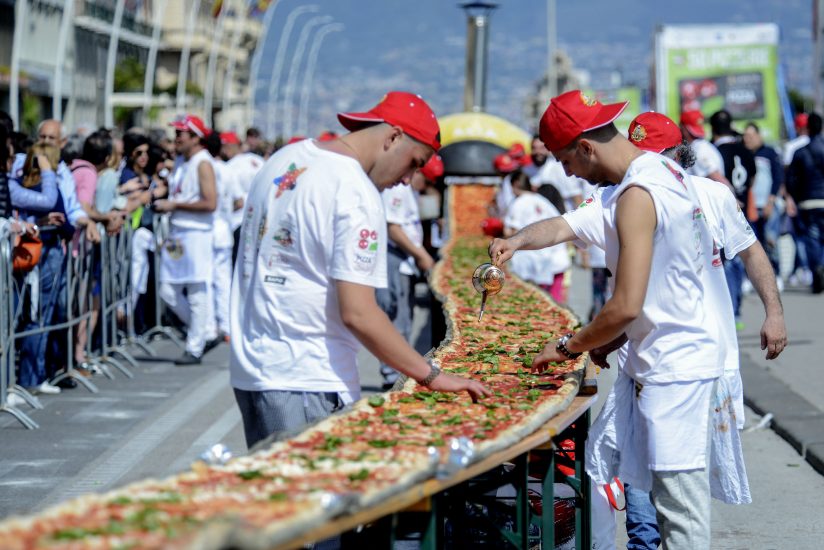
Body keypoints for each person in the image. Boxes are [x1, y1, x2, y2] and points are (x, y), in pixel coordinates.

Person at [488, 90, 725, 549]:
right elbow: (568, 227)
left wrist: (567, 346)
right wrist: (516, 241)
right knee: (666, 503)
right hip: (668, 359)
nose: (566, 173)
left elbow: (626, 305)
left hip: (675, 366)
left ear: (585, 147)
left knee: (680, 513)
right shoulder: (654, 174)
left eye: (565, 160)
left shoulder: (637, 193)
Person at [229, 91, 490, 448]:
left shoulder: (285, 158)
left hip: (253, 368)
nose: (408, 179)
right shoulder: (354, 191)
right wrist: (431, 375)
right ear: (393, 137)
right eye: (414, 162)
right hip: (307, 375)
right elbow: (359, 313)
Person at [615, 112, 786, 549]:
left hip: (701, 360)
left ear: (680, 154)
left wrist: (774, 312)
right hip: (644, 360)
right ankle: (645, 544)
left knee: (682, 477)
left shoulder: (712, 194)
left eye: (658, 156)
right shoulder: (624, 196)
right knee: (646, 465)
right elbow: (568, 226)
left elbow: (752, 252)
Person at [154, 114, 218, 365]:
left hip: (196, 234)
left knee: (196, 290)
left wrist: (174, 205)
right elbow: (176, 190)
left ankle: (195, 347)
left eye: (181, 133)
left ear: (195, 137)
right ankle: (204, 332)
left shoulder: (203, 163)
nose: (176, 138)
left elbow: (210, 202)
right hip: (177, 233)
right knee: (167, 289)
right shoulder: (181, 161)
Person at [376, 152, 439, 389]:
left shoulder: (410, 191)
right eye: (427, 181)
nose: (426, 186)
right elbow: (393, 228)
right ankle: (391, 375)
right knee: (397, 318)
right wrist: (422, 255)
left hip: (405, 260)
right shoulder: (399, 190)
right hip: (396, 257)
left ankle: (398, 371)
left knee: (406, 316)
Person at [710, 110, 758, 327]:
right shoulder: (745, 150)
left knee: (726, 262)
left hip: (722, 214)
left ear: (713, 129)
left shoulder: (713, 152)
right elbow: (753, 177)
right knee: (740, 259)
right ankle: (736, 309)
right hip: (743, 211)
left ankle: (731, 310)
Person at [503, 170, 570, 303]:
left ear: (515, 184)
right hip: (552, 256)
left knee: (530, 301)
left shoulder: (518, 203)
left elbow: (513, 233)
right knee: (552, 303)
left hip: (530, 260)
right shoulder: (542, 200)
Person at [787, 112, 824, 293]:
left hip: (808, 201)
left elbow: (791, 179)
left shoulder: (800, 152)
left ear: (807, 128)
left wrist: (795, 197)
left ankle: (817, 267)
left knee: (812, 237)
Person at [743, 122, 784, 279]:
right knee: (752, 243)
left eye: (751, 136)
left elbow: (778, 177)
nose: (747, 139)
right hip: (750, 207)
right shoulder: (744, 154)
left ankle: (776, 274)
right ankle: (754, 277)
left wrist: (770, 201)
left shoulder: (769, 153)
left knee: (771, 239)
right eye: (745, 136)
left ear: (759, 136)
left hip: (767, 204)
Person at [205, 131, 235, 341]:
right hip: (224, 228)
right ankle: (226, 325)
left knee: (207, 280)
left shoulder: (204, 167)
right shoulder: (227, 169)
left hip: (210, 228)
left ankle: (211, 326)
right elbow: (237, 199)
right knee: (223, 280)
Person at [221, 131, 263, 264]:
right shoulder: (258, 160)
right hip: (261, 220)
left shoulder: (230, 166)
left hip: (238, 222)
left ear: (228, 147)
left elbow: (238, 202)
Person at [679, 110, 732, 190]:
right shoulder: (701, 145)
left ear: (684, 128)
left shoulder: (699, 150)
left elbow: (720, 180)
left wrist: (733, 197)